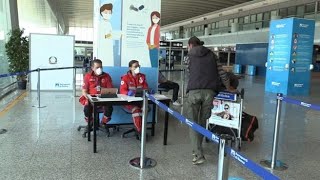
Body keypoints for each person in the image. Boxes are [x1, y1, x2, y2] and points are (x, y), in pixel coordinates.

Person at [184, 36, 236, 165]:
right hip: (209, 92)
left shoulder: (188, 56)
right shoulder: (213, 55)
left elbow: (190, 72)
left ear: (190, 45)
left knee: (192, 123)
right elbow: (222, 73)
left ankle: (198, 153)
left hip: (194, 92)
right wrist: (229, 87)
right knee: (202, 122)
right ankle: (198, 149)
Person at [80, 59, 113, 127]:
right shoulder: (87, 76)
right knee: (87, 109)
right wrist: (90, 99)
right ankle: (90, 122)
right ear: (92, 68)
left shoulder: (107, 76)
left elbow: (110, 90)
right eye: (97, 67)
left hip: (103, 99)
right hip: (91, 99)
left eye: (101, 67)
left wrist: (103, 90)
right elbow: (84, 91)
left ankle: (103, 122)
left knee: (109, 108)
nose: (100, 69)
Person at [120, 60, 149, 134]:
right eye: (135, 66)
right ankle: (140, 132)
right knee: (136, 110)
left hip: (140, 101)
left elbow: (145, 87)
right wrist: (128, 93)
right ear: (130, 68)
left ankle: (140, 128)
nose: (138, 68)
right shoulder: (125, 78)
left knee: (145, 108)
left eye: (139, 66)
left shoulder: (142, 76)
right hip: (129, 102)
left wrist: (147, 90)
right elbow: (122, 90)